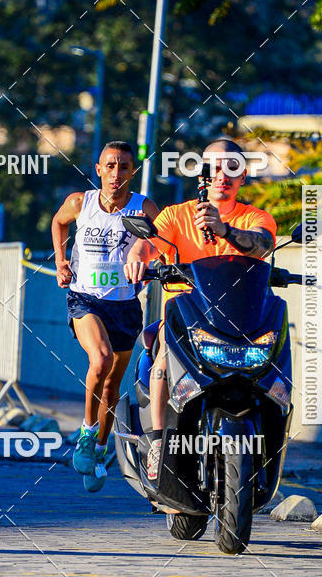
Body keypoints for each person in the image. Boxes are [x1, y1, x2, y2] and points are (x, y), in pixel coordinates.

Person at [124, 138, 277, 481]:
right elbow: (145, 245)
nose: (224, 175)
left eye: (232, 168)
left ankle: (268, 448)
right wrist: (136, 259)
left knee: (275, 372)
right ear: (203, 174)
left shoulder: (256, 217)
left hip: (240, 323)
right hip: (183, 320)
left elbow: (263, 245)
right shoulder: (176, 216)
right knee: (162, 357)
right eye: (215, 167)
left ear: (243, 176)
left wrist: (225, 230)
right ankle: (160, 443)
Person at [51, 141, 159, 491]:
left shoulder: (144, 208)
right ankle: (85, 433)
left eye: (123, 167)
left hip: (125, 306)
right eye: (109, 166)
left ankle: (100, 448)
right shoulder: (80, 203)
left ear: (132, 172)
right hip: (86, 300)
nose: (116, 173)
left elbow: (164, 238)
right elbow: (58, 222)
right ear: (98, 170)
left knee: (112, 385)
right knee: (100, 360)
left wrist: (148, 257)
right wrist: (60, 261)